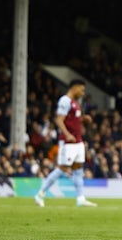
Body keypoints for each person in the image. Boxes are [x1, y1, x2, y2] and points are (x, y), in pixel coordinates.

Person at [34, 79, 97, 207]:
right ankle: (40, 194)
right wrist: (67, 134)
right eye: (82, 89)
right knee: (62, 168)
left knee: (78, 170)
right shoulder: (65, 101)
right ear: (75, 87)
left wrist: (84, 119)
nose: (82, 93)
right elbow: (59, 120)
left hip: (78, 142)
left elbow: (73, 121)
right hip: (68, 143)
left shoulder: (75, 103)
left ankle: (80, 198)